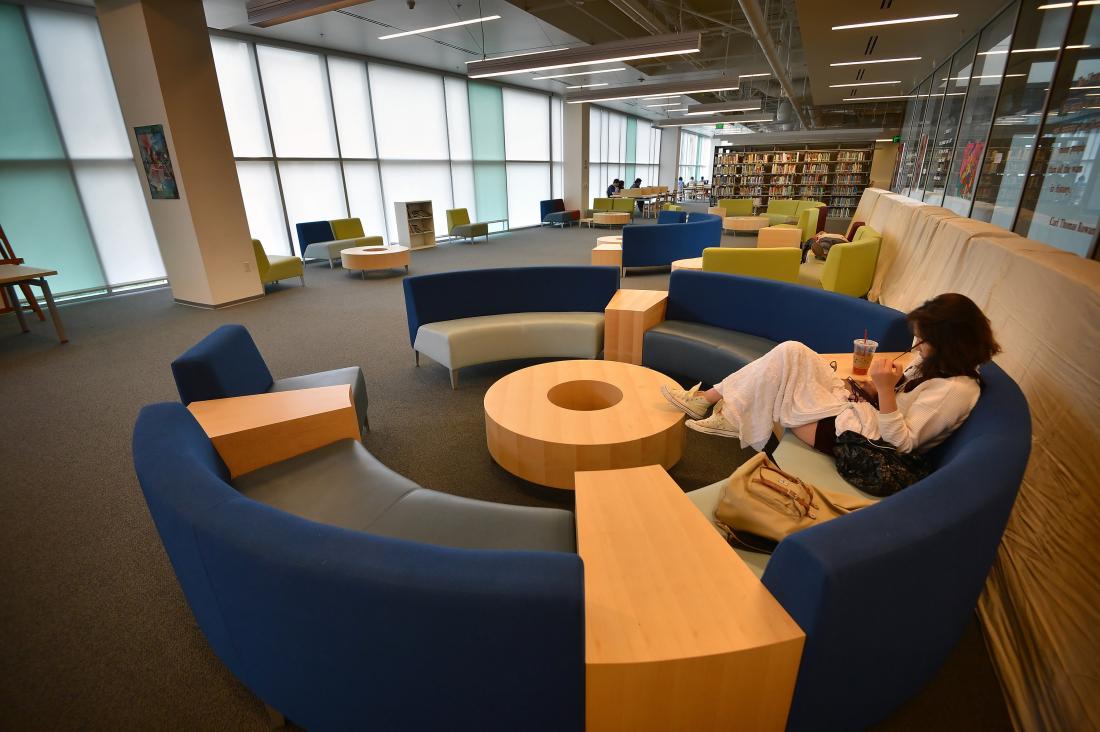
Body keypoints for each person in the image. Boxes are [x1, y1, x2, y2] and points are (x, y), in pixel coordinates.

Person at [660, 293, 1000, 454]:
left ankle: (723, 410)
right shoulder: (936, 364)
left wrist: (883, 392)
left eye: (923, 338)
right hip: (860, 410)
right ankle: (711, 402)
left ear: (948, 341)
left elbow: (903, 443)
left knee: (778, 390)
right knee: (791, 351)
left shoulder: (955, 390)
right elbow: (896, 400)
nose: (916, 343)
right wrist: (874, 389)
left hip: (860, 439)